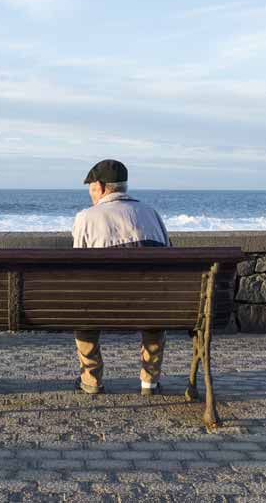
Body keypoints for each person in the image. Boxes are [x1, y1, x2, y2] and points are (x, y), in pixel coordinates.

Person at [71, 159, 170, 395]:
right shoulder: (152, 214)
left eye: (92, 189)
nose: (91, 195)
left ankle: (91, 379)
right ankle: (149, 381)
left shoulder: (86, 217)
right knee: (155, 311)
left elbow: (76, 265)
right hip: (149, 306)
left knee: (82, 311)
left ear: (101, 187)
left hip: (101, 306)